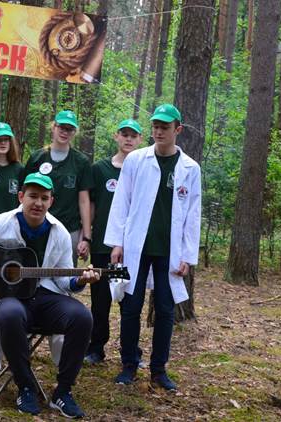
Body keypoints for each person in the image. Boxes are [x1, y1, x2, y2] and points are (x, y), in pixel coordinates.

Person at [0, 172, 99, 418]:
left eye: (44, 198)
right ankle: (25, 387)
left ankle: (63, 391)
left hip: (44, 296)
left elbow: (62, 278)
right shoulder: (3, 222)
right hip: (10, 297)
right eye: (33, 196)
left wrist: (80, 280)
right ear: (21, 197)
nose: (38, 203)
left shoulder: (58, 232)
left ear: (51, 201)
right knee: (10, 314)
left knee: (82, 317)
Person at [104, 104, 201, 390]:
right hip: (134, 246)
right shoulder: (136, 160)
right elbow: (121, 200)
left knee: (165, 309)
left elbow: (193, 214)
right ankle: (128, 365)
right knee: (129, 305)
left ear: (177, 130)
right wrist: (117, 243)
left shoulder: (190, 168)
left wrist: (187, 256)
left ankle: (159, 370)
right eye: (155, 126)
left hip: (169, 251)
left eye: (165, 127)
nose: (159, 132)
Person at [84, 119, 143, 365]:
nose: (128, 139)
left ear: (140, 140)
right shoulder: (100, 169)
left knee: (130, 302)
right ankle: (96, 348)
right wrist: (87, 236)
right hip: (102, 246)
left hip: (132, 249)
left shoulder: (143, 169)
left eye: (133, 135)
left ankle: (131, 351)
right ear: (116, 136)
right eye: (124, 134)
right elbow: (91, 204)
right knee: (100, 300)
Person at [24, 110, 93, 265]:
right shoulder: (37, 158)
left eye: (69, 129)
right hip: (36, 226)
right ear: (53, 127)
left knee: (65, 273)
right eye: (61, 127)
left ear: (74, 132)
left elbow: (84, 201)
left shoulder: (81, 162)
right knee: (33, 269)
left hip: (69, 228)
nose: (64, 132)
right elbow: (25, 195)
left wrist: (86, 237)